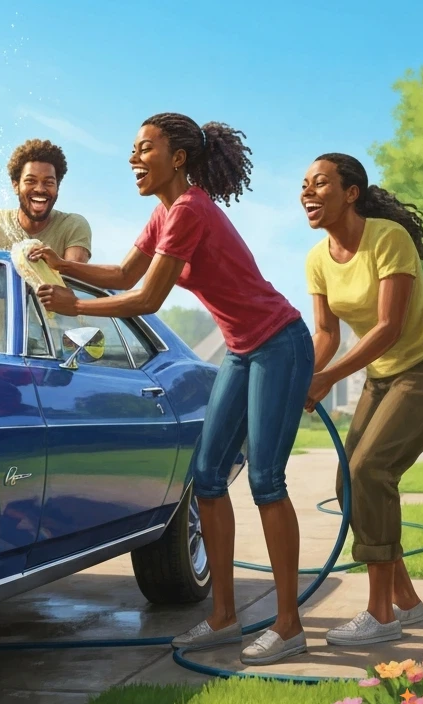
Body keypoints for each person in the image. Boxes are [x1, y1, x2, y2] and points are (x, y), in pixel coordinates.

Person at [30, 113, 314, 666]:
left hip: (280, 344)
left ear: (177, 157)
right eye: (132, 150)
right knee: (207, 477)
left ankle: (288, 625)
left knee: (266, 480)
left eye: (145, 149)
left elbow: (147, 299)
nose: (134, 159)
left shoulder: (188, 210)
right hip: (242, 348)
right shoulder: (164, 214)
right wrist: (55, 263)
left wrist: (74, 307)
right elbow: (121, 274)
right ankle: (224, 617)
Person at [300, 153, 423, 647]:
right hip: (381, 378)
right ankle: (406, 601)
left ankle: (379, 612)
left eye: (320, 183)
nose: (307, 192)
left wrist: (327, 380)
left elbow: (389, 328)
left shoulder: (388, 239)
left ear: (351, 193)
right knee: (351, 484)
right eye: (304, 184)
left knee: (370, 471)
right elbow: (326, 334)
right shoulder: (317, 258)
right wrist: (302, 375)